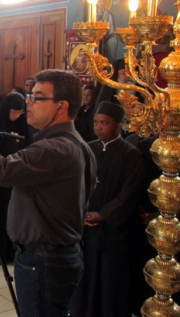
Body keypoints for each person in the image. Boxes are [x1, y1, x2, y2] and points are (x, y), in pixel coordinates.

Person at [0, 69, 97, 316]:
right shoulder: (77, 142)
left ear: (62, 106)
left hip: (43, 257)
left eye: (37, 97)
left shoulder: (55, 148)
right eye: (30, 95)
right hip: (57, 253)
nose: (29, 102)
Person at [70, 102, 143, 317]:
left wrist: (103, 214)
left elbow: (129, 193)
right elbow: (77, 184)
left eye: (104, 123)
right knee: (85, 278)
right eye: (96, 122)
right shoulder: (88, 148)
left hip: (114, 231)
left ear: (118, 126)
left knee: (110, 282)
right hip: (87, 228)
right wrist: (81, 212)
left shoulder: (131, 154)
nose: (98, 127)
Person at [0, 92, 32, 262]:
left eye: (20, 112)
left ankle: (12, 252)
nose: (16, 115)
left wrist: (18, 144)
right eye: (14, 111)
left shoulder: (24, 124)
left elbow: (29, 146)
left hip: (16, 179)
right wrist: (12, 143)